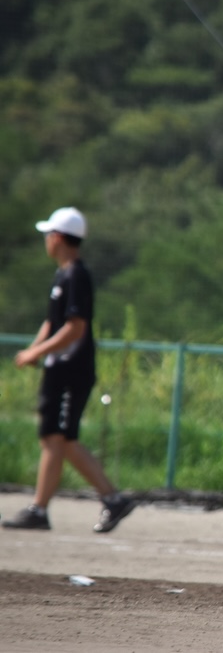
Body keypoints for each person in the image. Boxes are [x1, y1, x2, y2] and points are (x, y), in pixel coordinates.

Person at [3, 207, 136, 534]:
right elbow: (53, 322)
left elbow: (75, 328)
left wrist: (36, 352)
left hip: (70, 371)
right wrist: (35, 349)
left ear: (59, 238)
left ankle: (53, 506)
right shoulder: (63, 275)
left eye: (49, 234)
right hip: (59, 369)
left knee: (58, 438)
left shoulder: (76, 275)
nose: (46, 240)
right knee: (58, 439)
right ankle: (101, 500)